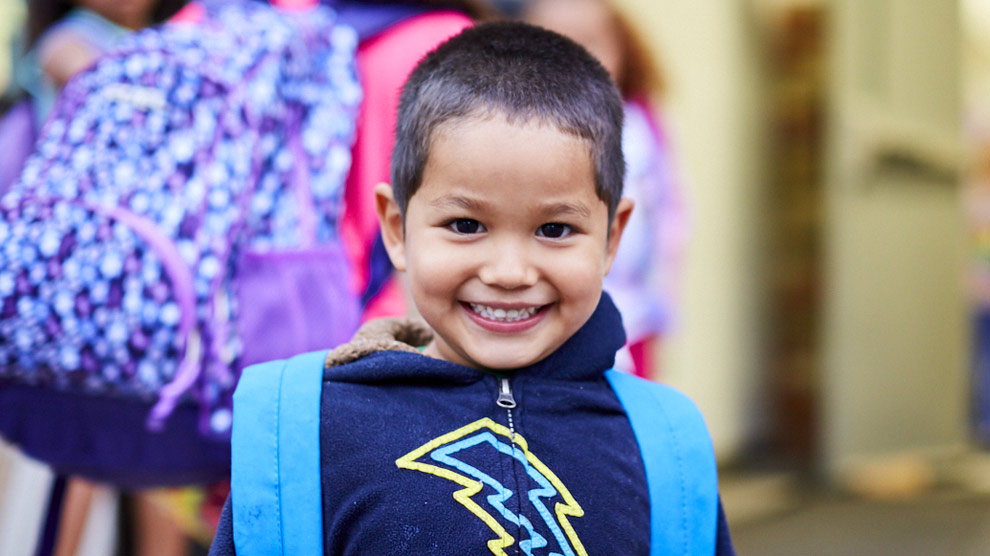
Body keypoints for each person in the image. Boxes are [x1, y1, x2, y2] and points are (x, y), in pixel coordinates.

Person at [208, 21, 734, 554]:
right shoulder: (308, 435)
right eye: (465, 225)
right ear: (397, 229)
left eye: (554, 230)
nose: (509, 272)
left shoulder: (664, 449)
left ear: (611, 238)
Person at [523, 0, 687, 380]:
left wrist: (666, 294)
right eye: (555, 45)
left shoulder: (644, 124)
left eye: (590, 42)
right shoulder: (523, 125)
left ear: (621, 47)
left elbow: (671, 210)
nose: (574, 59)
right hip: (551, 309)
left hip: (632, 311)